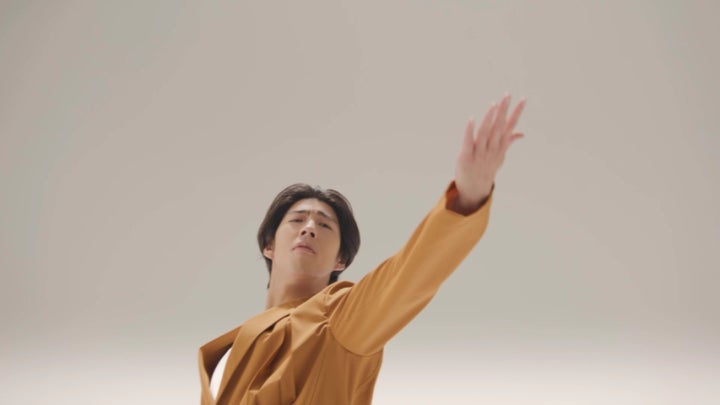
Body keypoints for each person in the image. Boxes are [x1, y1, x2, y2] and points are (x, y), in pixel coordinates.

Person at [198, 94, 527, 404]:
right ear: (269, 245)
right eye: (297, 220)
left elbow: (407, 277)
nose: (309, 228)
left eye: (325, 225)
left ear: (341, 259)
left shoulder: (336, 320)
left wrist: (467, 199)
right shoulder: (230, 350)